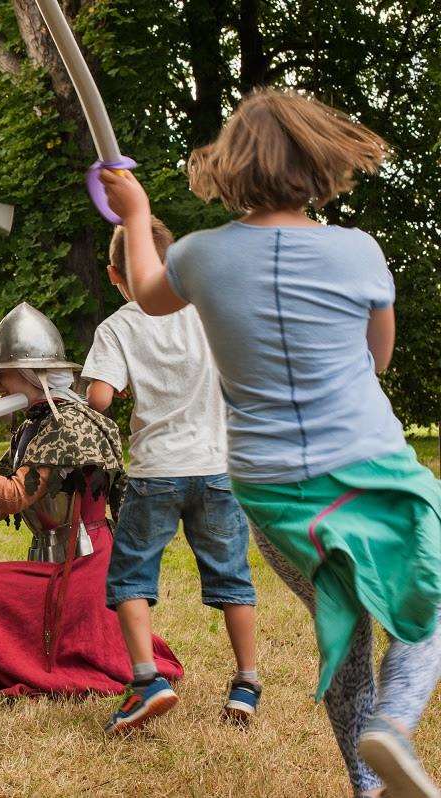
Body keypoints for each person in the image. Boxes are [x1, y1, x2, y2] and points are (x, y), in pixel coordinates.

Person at [100, 88, 441, 798]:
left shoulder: (198, 256)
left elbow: (145, 292)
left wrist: (136, 216)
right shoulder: (359, 252)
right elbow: (378, 359)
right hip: (366, 466)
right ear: (321, 162)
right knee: (430, 593)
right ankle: (394, 723)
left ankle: (367, 784)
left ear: (231, 167)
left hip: (267, 484)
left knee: (341, 625)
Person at [0, 303, 183, 697]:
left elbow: (10, 496)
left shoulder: (70, 424)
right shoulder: (34, 424)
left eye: (1, 375)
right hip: (50, 566)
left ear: (29, 372)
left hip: (85, 570)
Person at [82, 217, 260, 733]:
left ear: (116, 274)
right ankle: (246, 683)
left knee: (132, 576)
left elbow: (99, 398)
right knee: (232, 575)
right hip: (218, 469)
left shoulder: (117, 326)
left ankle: (147, 681)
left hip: (156, 471)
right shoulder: (208, 312)